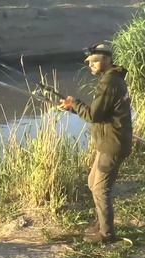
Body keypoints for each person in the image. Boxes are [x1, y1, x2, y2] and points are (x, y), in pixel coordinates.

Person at [58, 43, 133, 243]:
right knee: (93, 182)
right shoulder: (113, 79)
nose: (90, 65)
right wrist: (73, 107)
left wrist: (75, 104)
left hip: (112, 144)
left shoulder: (110, 82)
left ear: (107, 60)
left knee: (101, 189)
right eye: (88, 63)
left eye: (94, 61)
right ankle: (101, 224)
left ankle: (106, 234)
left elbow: (93, 114)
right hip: (108, 141)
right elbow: (101, 112)